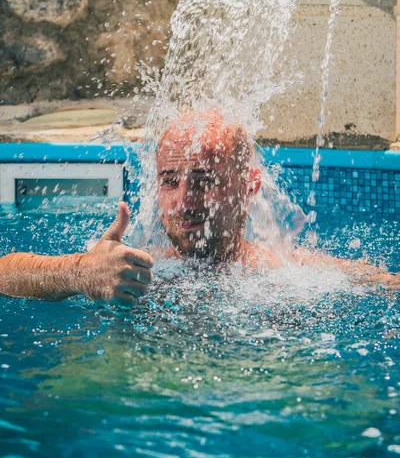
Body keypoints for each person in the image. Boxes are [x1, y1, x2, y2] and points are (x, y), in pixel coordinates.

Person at [0, 110, 398, 304]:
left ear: (249, 187)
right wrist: (80, 272)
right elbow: (4, 273)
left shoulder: (294, 275)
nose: (185, 202)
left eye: (205, 181)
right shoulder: (131, 268)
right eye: (170, 182)